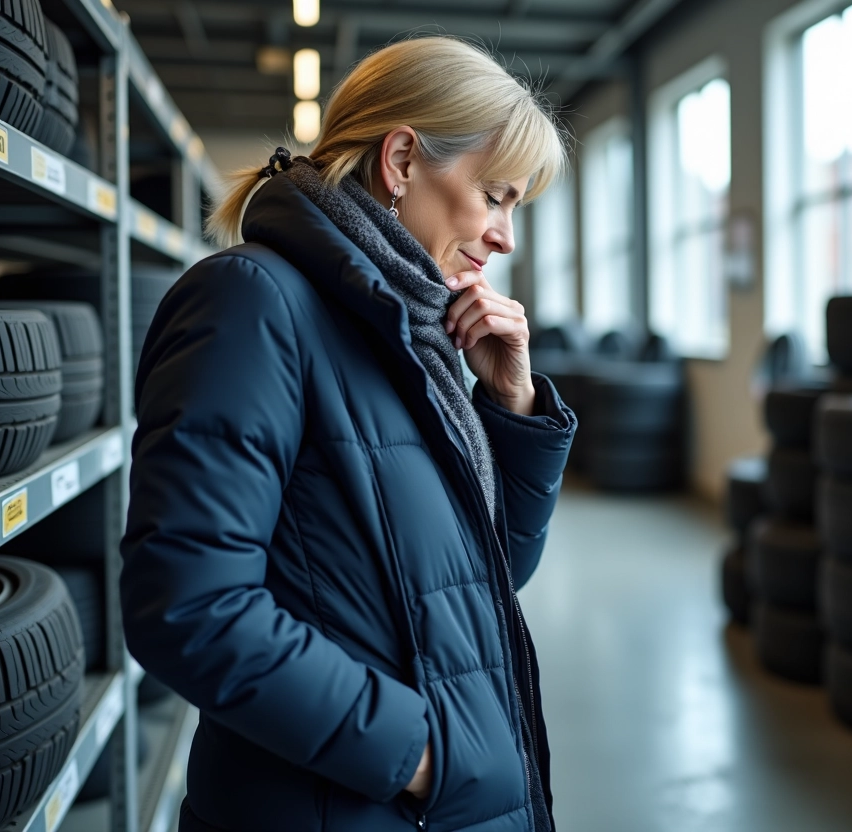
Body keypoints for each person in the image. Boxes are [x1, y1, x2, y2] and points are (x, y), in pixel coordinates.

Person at [120, 36, 574, 832]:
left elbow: (495, 577)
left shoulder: (413, 335)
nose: (506, 236)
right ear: (401, 162)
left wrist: (514, 405)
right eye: (496, 195)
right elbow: (188, 606)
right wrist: (426, 758)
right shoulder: (251, 303)